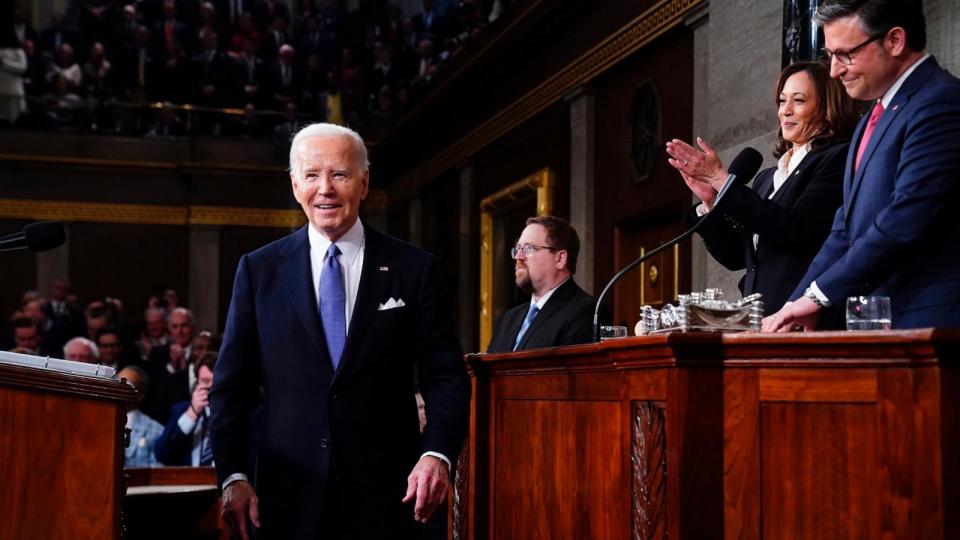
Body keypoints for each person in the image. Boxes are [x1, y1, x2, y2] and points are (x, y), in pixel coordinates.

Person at [210, 123, 470, 539]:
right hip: (286, 501)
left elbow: (446, 377)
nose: (325, 188)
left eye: (340, 175)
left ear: (364, 183)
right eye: (312, 175)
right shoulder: (259, 270)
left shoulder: (413, 268)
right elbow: (230, 389)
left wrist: (437, 453)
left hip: (389, 497)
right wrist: (233, 475)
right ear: (295, 185)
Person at [763, 0, 960, 331]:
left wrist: (819, 296)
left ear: (894, 41)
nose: (835, 71)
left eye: (845, 54)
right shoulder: (872, 118)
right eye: (830, 56)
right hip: (880, 325)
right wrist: (796, 305)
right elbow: (845, 228)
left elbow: (905, 218)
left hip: (934, 321)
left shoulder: (940, 101)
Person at [665, 60, 858, 321]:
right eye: (782, 101)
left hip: (805, 320)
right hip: (760, 321)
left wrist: (723, 182)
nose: (785, 111)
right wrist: (712, 200)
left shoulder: (837, 158)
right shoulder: (767, 178)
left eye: (798, 101)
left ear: (826, 108)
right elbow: (737, 257)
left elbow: (798, 231)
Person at [487, 216, 596, 352]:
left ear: (560, 258)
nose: (518, 257)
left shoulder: (587, 312)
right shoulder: (509, 318)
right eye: (518, 249)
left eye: (528, 248)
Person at [154, 353, 218, 466]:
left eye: (217, 382)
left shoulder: (237, 414)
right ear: (196, 383)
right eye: (206, 381)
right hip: (189, 480)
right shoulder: (181, 410)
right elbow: (161, 455)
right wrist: (192, 414)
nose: (211, 388)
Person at [119, 365, 164, 468]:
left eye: (126, 384)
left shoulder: (156, 431)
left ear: (140, 395)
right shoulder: (99, 422)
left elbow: (156, 473)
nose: (118, 388)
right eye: (116, 382)